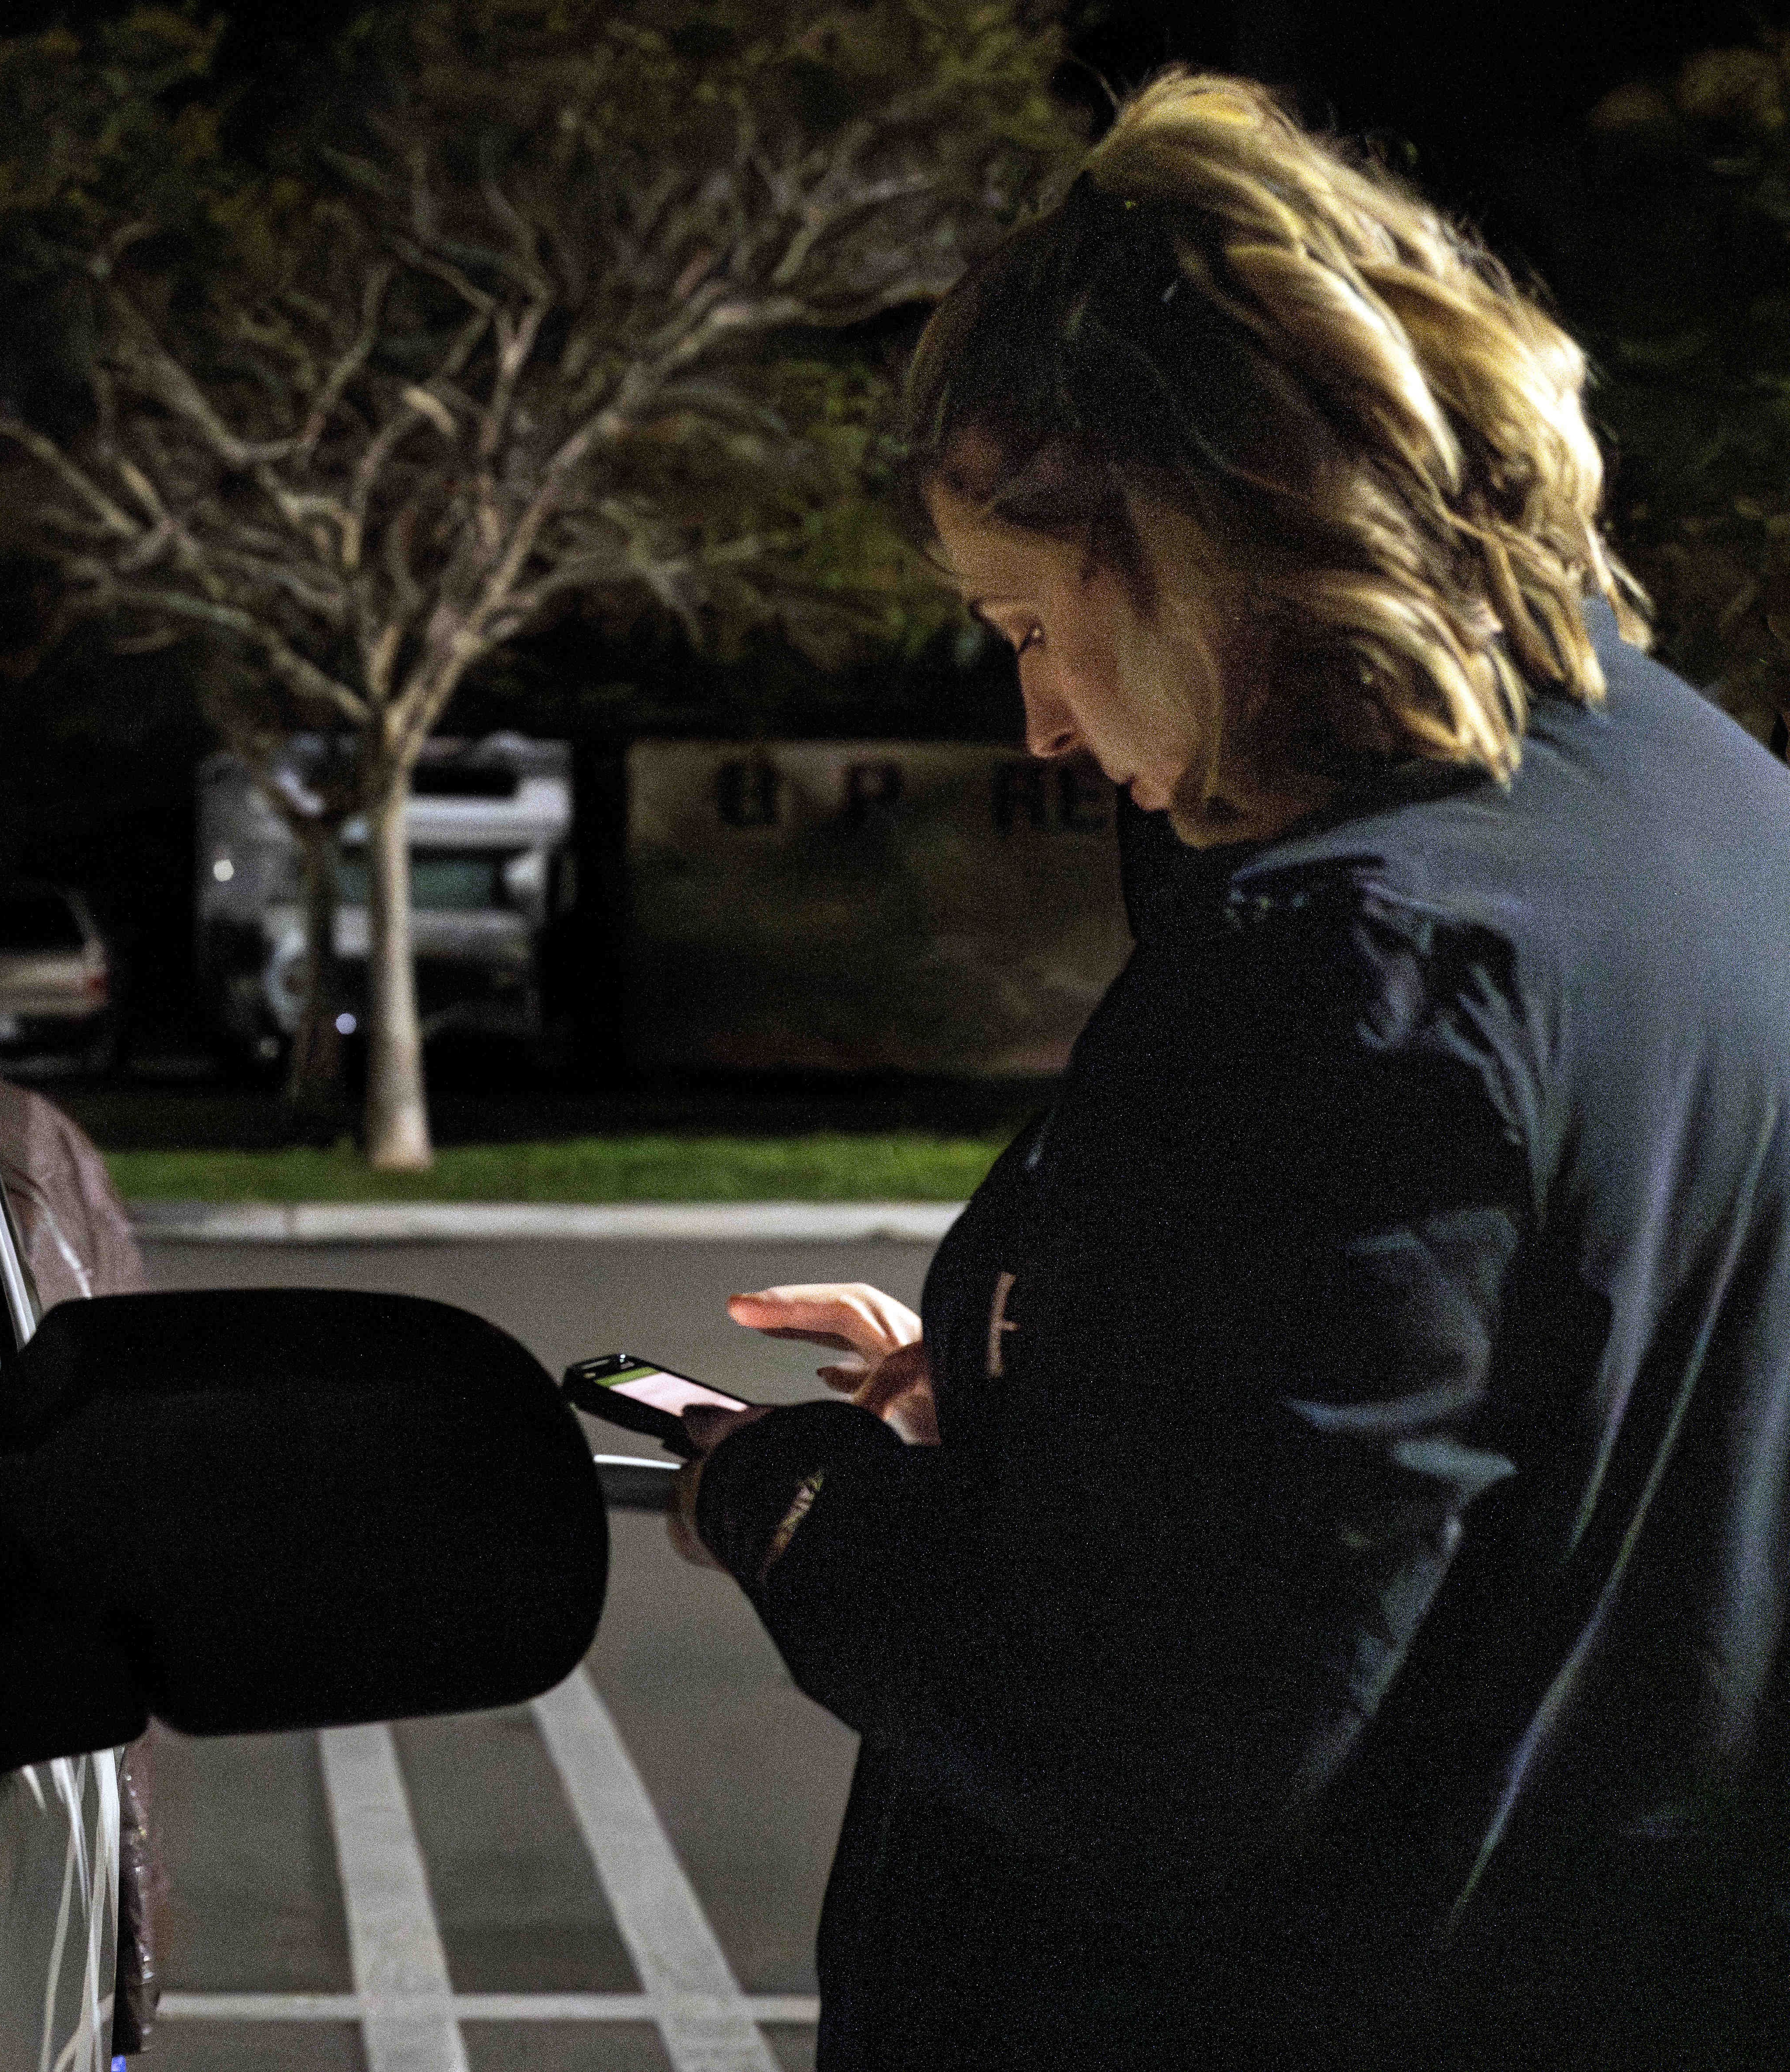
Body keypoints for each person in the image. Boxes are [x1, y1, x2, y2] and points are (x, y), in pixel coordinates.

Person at [666, 71, 1790, 2068]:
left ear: (1190, 547)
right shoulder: (1716, 810)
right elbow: (1530, 1410)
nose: (1036, 717)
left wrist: (784, 1497)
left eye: (1029, 620)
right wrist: (1048, 1387)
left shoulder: (1352, 964)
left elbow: (1148, 1744)